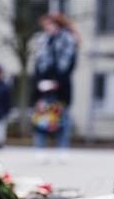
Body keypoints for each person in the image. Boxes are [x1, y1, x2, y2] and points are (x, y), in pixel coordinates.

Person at [31, 13, 80, 160]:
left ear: (57, 25)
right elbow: (37, 66)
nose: (47, 28)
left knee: (62, 120)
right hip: (43, 89)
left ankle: (62, 151)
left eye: (50, 25)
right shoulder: (42, 42)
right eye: (45, 25)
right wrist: (40, 83)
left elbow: (70, 66)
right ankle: (40, 151)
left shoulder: (68, 42)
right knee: (41, 120)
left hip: (61, 89)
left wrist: (57, 83)